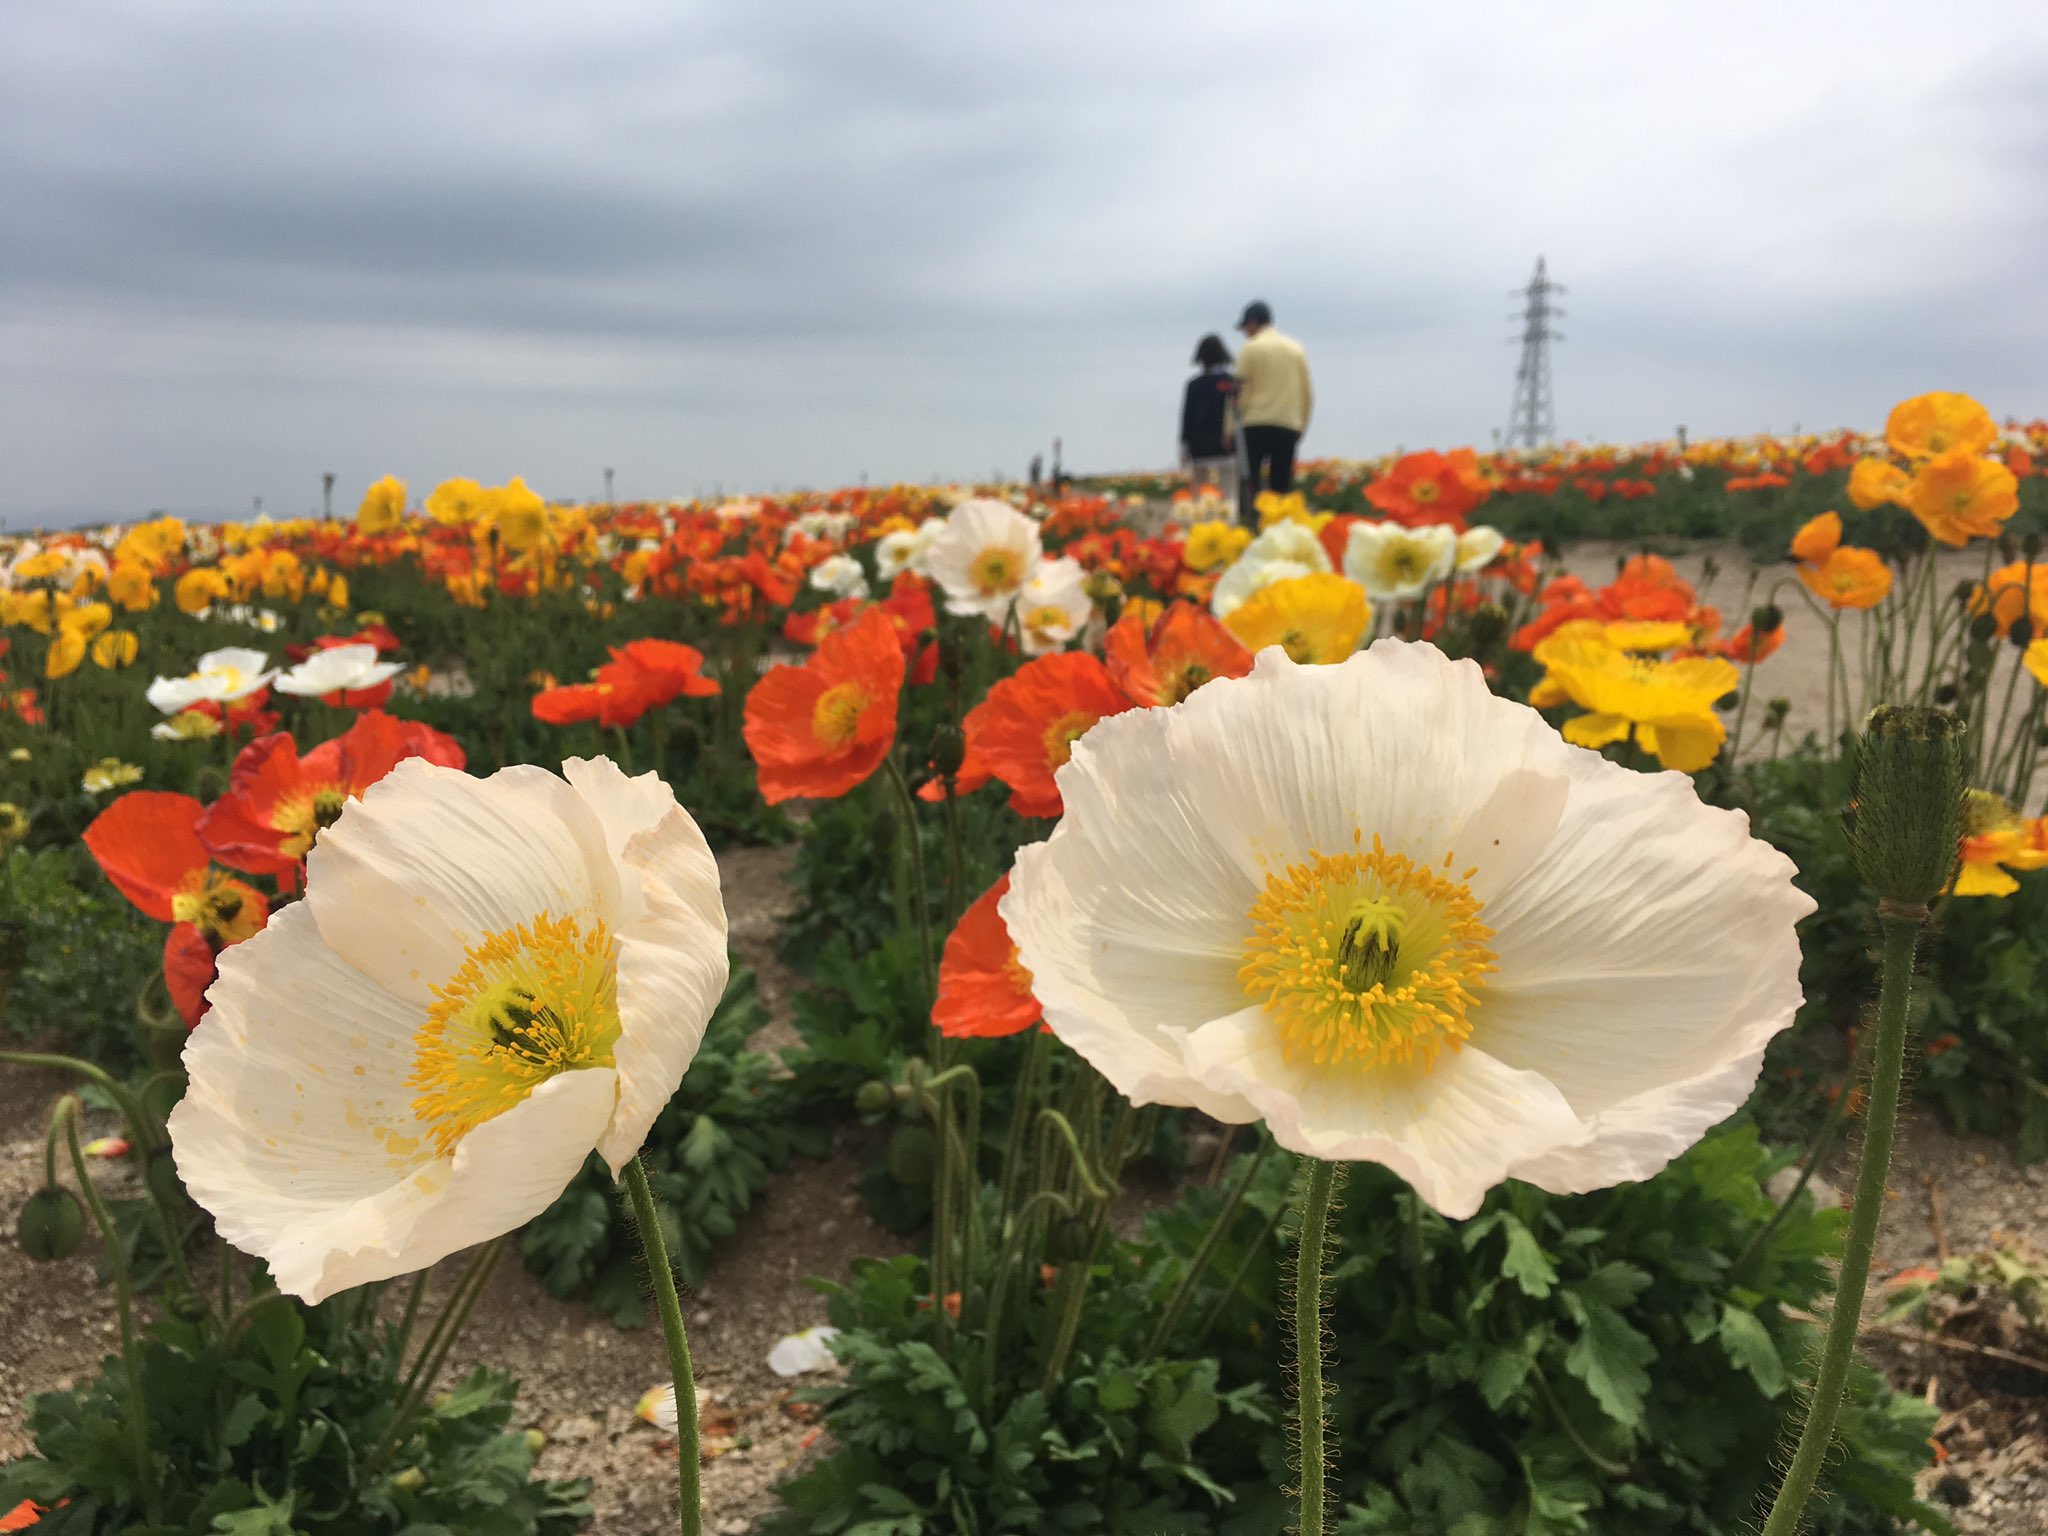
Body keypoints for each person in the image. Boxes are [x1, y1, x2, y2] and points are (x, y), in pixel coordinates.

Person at [1232, 300, 1313, 524]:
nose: (1245, 333)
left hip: (1254, 423)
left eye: (1245, 328)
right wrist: (1301, 425)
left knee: (1250, 482)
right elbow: (1306, 393)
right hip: (1287, 423)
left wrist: (1230, 428)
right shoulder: (1296, 348)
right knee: (1282, 484)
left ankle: (1251, 524)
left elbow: (1239, 393)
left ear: (1253, 323)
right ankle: (1280, 527)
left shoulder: (1251, 348)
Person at [1179, 334, 1239, 510]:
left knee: (1200, 496)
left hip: (1199, 448)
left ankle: (1202, 530)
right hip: (1226, 448)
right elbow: (1237, 416)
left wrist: (1184, 446)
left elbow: (1187, 418)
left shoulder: (1194, 385)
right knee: (1228, 495)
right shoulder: (1231, 383)